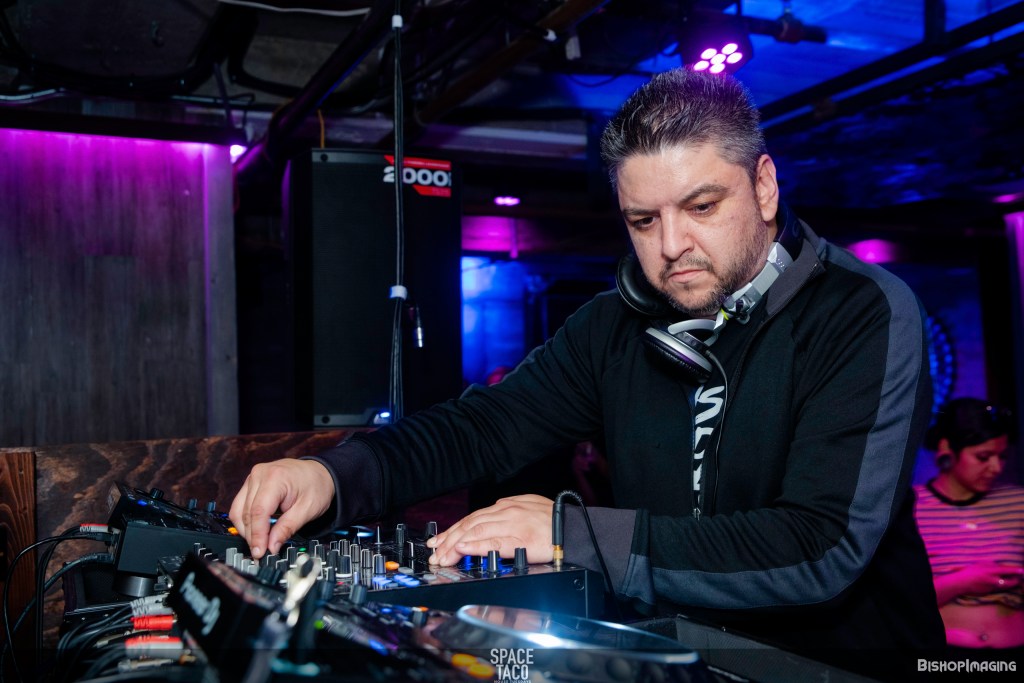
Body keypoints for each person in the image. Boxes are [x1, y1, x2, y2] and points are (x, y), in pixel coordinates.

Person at [230, 68, 945, 673]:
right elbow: (485, 426)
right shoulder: (612, 326)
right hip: (675, 657)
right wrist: (336, 474)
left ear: (763, 186)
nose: (671, 245)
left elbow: (817, 547)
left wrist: (572, 533)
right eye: (643, 221)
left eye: (701, 206)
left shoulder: (863, 313)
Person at [914, 398, 1024, 652]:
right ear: (947, 448)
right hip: (947, 654)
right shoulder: (912, 508)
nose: (996, 467)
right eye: (983, 457)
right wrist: (963, 581)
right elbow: (899, 603)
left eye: (1002, 456)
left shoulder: (1018, 503)